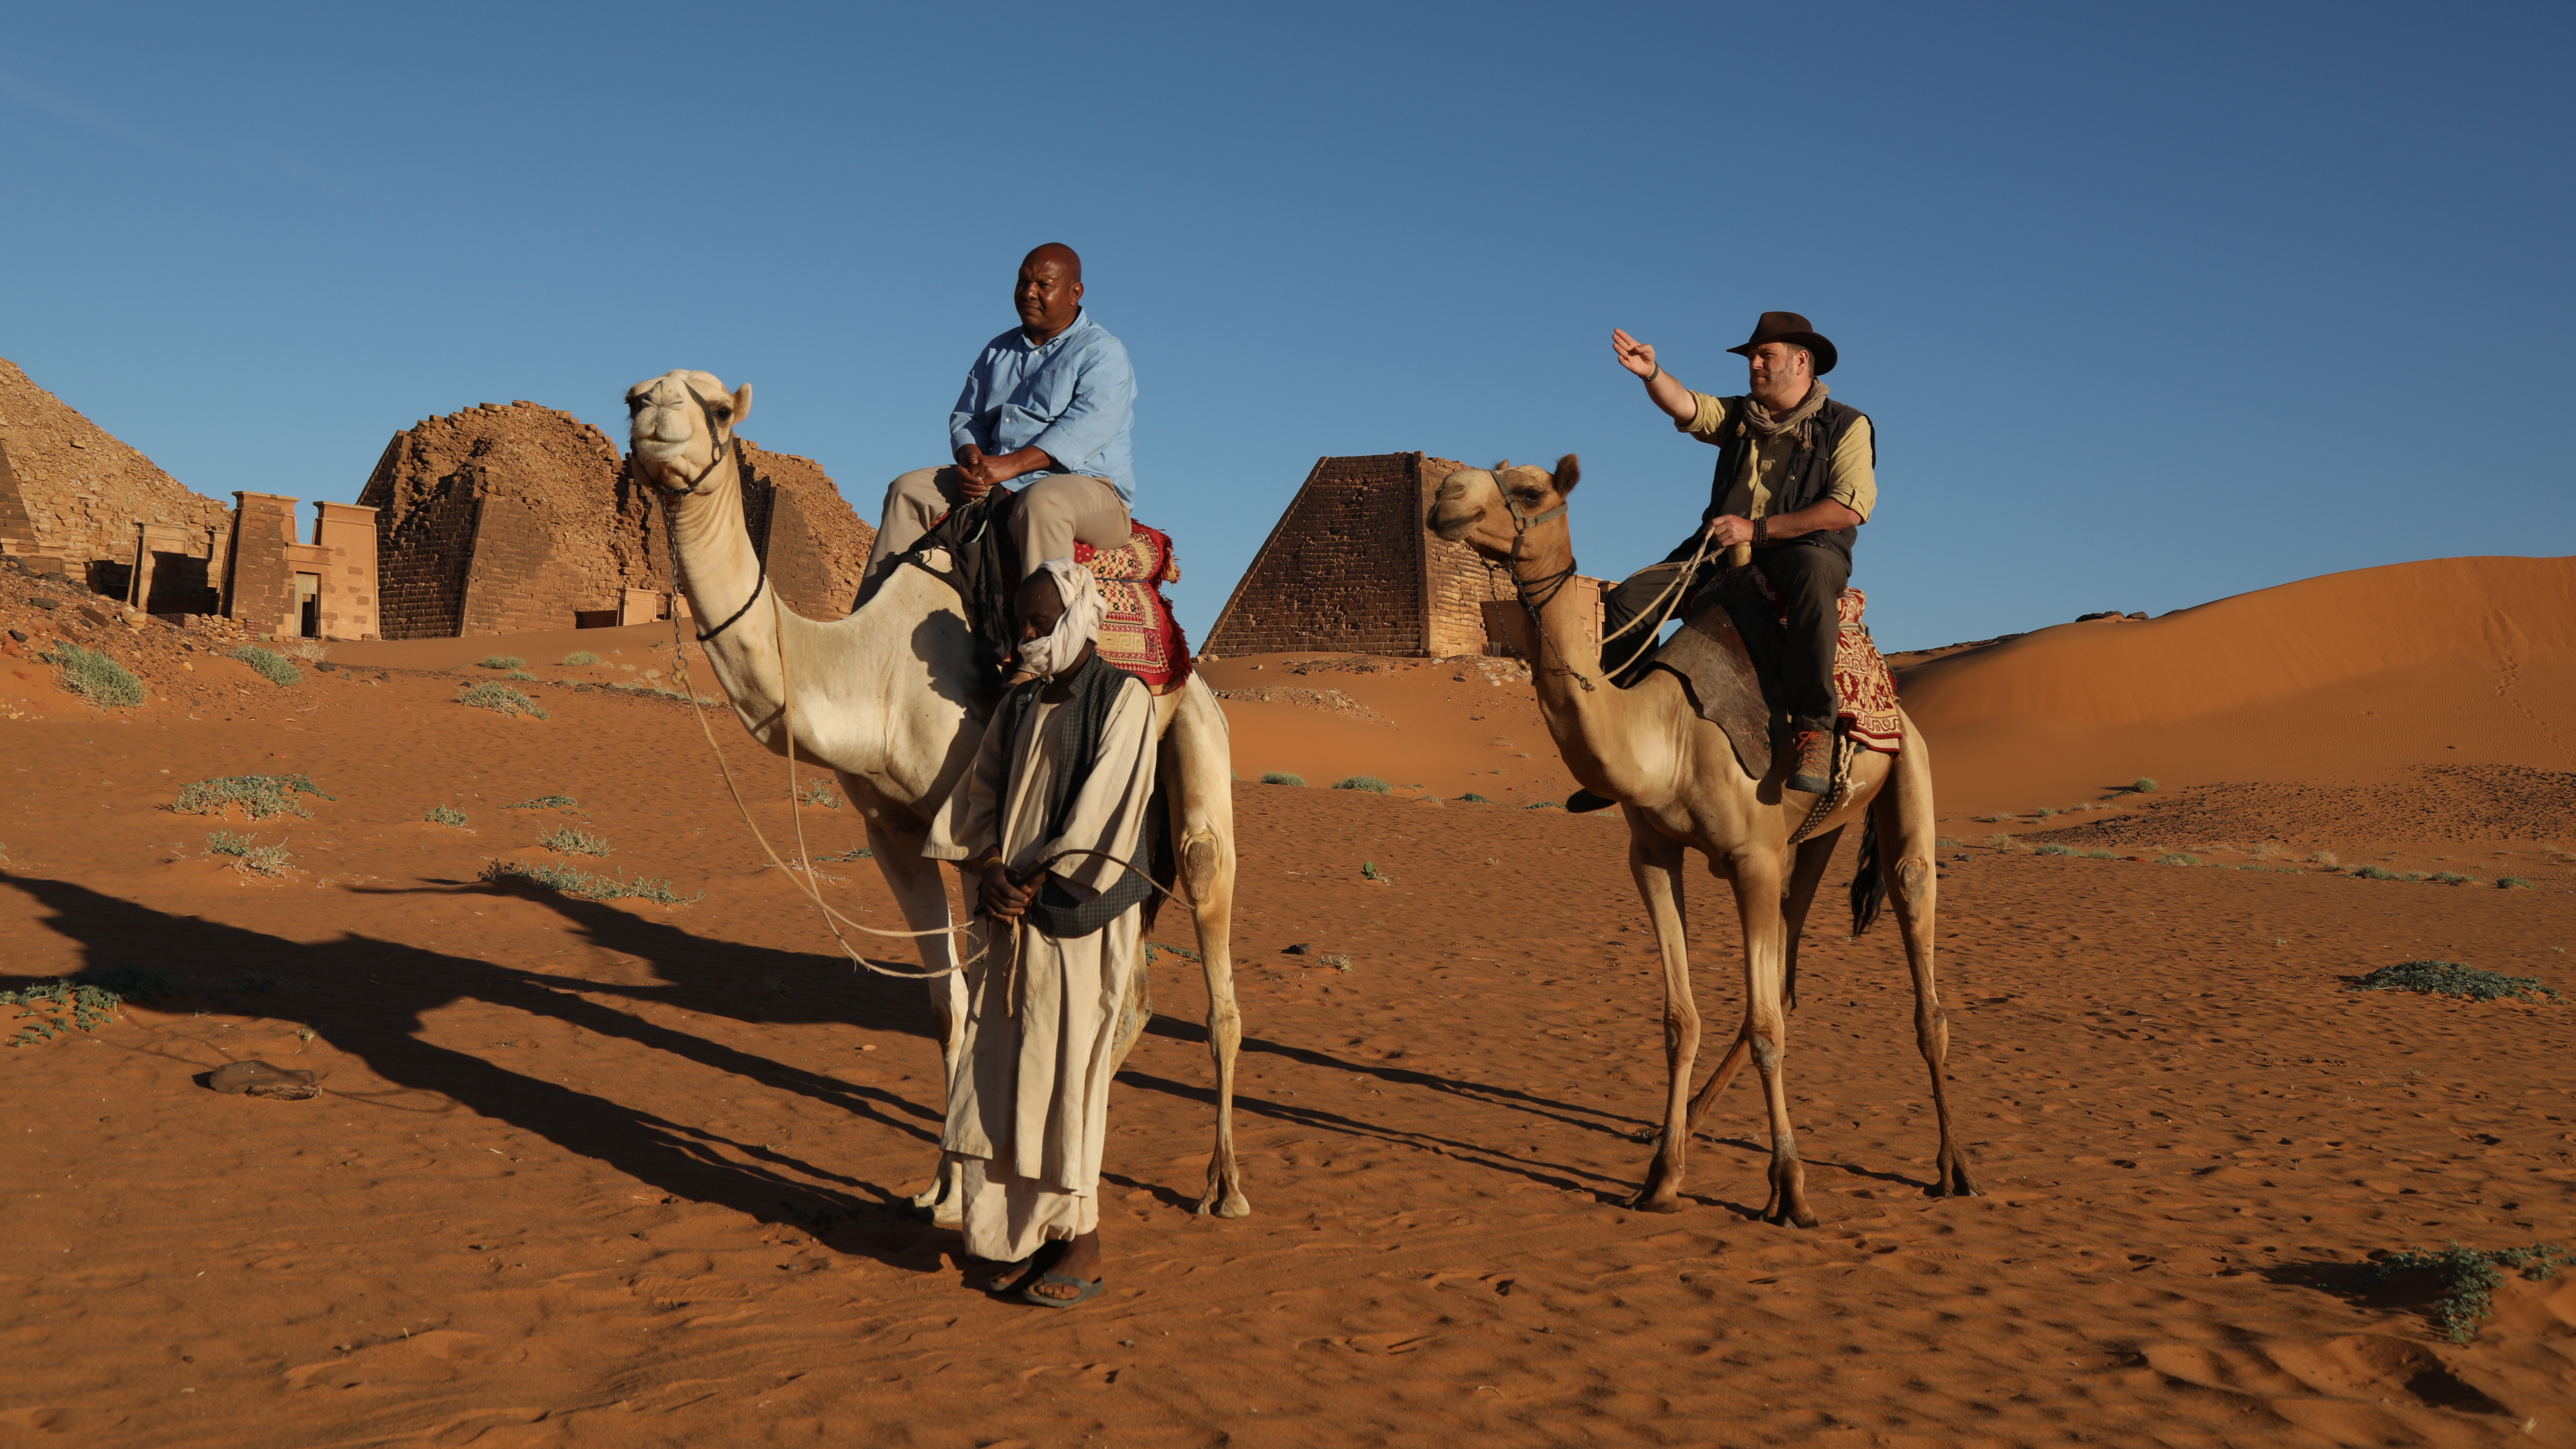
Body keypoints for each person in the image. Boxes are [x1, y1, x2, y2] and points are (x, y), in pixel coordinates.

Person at [923, 559, 1160, 1308]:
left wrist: (1034, 882)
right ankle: (1026, 1238)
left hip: (1076, 924)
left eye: (1042, 622)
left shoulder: (1125, 701)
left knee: (1067, 1080)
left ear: (1078, 618)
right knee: (1004, 1077)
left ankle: (1083, 1245)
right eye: (1022, 624)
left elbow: (1107, 810)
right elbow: (981, 797)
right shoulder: (1020, 706)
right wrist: (990, 865)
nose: (1029, 637)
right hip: (1010, 926)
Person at [1593, 310, 1876, 798]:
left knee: (1812, 579)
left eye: (1766, 356)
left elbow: (1849, 508)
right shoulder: (1740, 416)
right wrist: (1653, 374)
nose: (1755, 366)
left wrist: (1760, 529)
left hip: (1803, 546)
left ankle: (1814, 729)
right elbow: (1687, 406)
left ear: (1802, 361)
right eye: (1752, 358)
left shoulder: (1846, 425)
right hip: (1721, 545)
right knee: (1628, 601)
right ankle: (1625, 738)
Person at [863, 243, 1137, 593]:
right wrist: (971, 459)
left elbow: (1086, 428)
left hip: (1089, 488)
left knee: (1042, 503)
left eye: (1044, 285)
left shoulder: (1102, 352)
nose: (1029, 293)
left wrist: (1010, 466)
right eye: (1023, 283)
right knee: (907, 490)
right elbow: (967, 417)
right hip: (998, 480)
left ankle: (1046, 641)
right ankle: (873, 628)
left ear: (1075, 293)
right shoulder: (998, 350)